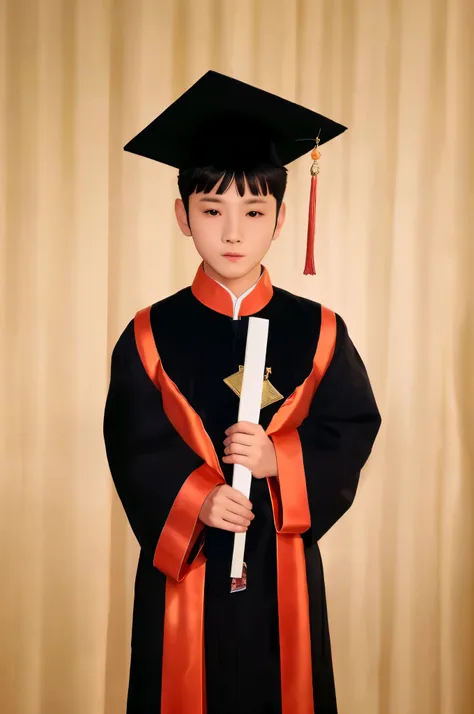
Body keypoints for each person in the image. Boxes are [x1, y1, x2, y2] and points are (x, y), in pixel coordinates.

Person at [103, 70, 381, 714]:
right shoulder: (149, 333)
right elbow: (133, 443)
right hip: (190, 568)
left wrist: (277, 459)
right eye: (211, 210)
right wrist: (196, 499)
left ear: (281, 220)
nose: (233, 233)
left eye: (253, 212)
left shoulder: (319, 332)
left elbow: (349, 429)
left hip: (278, 558)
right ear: (183, 216)